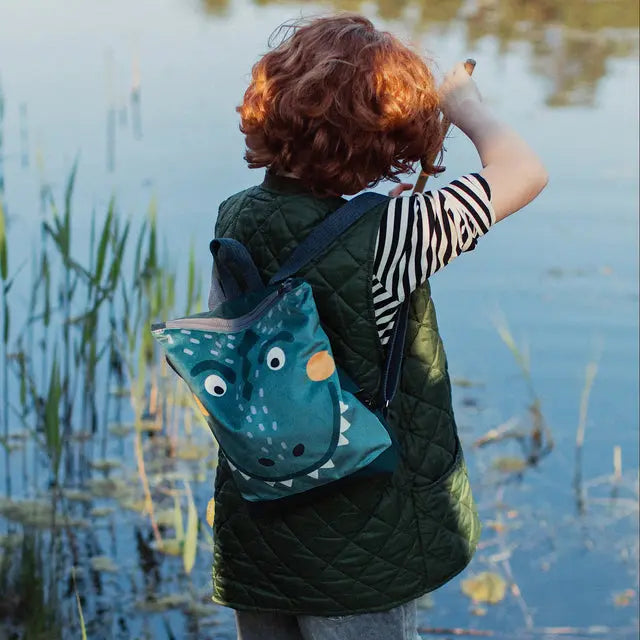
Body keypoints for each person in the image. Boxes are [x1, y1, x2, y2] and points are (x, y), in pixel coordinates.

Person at [209, 14, 548, 640]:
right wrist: (465, 105)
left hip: (256, 521)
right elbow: (525, 172)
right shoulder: (396, 234)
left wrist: (361, 224)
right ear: (385, 138)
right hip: (362, 539)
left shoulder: (235, 217)